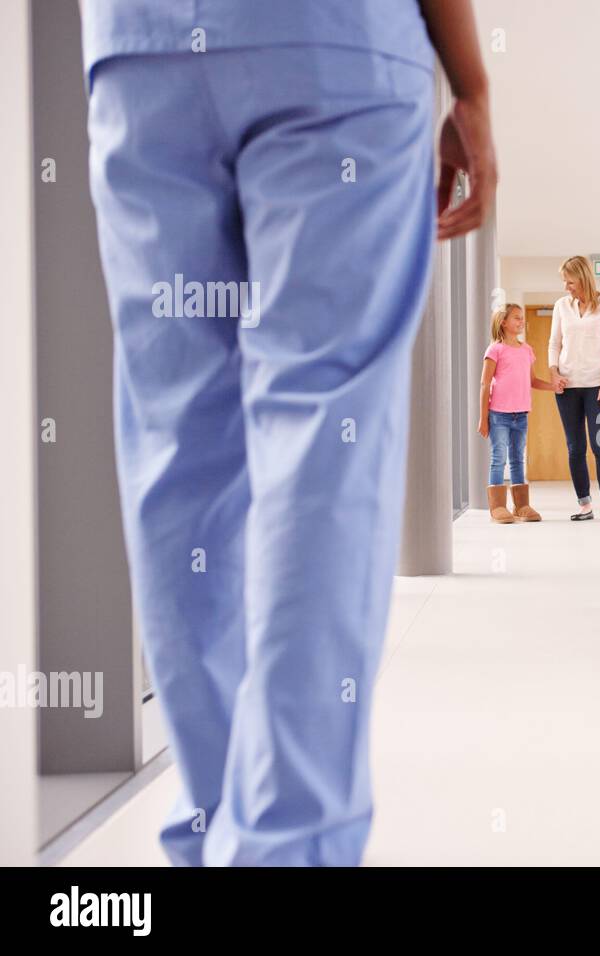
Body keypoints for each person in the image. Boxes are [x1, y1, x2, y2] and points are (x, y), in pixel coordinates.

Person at [82, 0, 497, 865]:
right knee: (324, 437)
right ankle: (283, 847)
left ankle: (215, 823)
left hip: (140, 48)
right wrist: (473, 88)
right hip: (332, 47)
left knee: (176, 451)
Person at [549, 256, 600, 522]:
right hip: (568, 387)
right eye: (564, 282)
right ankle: (584, 504)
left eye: (569, 281)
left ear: (582, 278)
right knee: (575, 447)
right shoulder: (561, 306)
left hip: (597, 386)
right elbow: (554, 343)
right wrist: (554, 372)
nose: (566, 286)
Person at [478, 303, 555, 523]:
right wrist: (483, 418)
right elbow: (484, 385)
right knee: (498, 458)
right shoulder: (495, 350)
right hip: (498, 415)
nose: (521, 322)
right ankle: (498, 507)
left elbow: (532, 381)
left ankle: (521, 505)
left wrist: (553, 386)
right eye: (516, 318)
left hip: (521, 415)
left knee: (518, 459)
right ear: (503, 322)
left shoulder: (527, 350)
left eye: (522, 318)